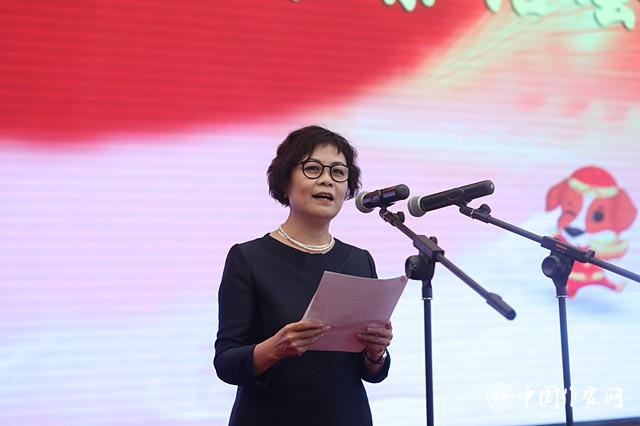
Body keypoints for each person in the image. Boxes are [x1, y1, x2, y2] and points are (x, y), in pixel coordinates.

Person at [214, 125, 393, 426]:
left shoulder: (360, 260)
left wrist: (376, 353)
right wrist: (274, 348)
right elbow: (226, 363)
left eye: (338, 172)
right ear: (285, 180)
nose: (327, 179)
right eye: (312, 169)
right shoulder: (248, 258)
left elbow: (370, 373)